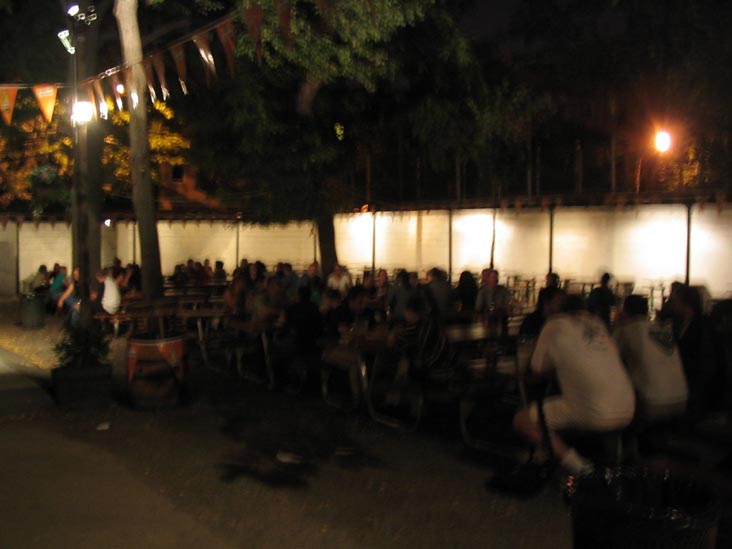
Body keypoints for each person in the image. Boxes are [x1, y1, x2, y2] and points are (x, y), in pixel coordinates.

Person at [513, 294, 636, 475]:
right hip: (629, 407)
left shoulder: (554, 324)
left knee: (523, 420)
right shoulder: (597, 322)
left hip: (593, 411)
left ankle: (581, 468)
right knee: (558, 404)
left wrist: (558, 364)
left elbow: (536, 368)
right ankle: (549, 454)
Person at [613, 295, 688, 421]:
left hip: (652, 402)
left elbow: (610, 358)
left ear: (625, 311)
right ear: (647, 311)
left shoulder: (626, 330)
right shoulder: (662, 329)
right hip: (682, 398)